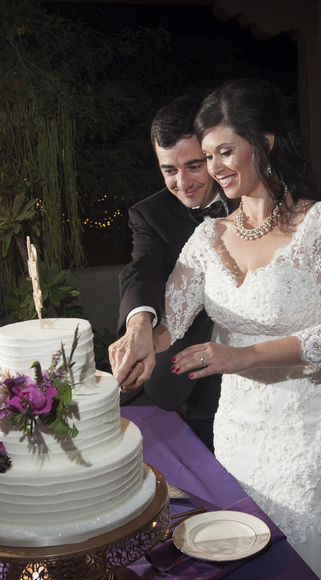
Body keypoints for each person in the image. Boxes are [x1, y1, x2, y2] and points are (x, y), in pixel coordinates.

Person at [150, 79, 321, 580]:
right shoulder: (208, 237)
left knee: (313, 549)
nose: (215, 166)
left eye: (225, 150)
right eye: (208, 156)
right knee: (248, 547)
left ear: (264, 142)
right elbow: (168, 325)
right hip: (241, 424)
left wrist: (242, 355)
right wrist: (138, 336)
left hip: (316, 418)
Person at [109, 96, 228, 450]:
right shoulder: (150, 213)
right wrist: (138, 324)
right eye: (169, 170)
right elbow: (143, 268)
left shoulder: (253, 196)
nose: (182, 183)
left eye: (194, 166)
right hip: (191, 380)